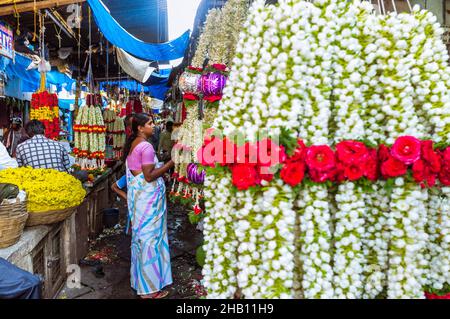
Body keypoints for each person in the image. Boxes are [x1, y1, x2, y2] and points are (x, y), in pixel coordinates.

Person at [122, 113, 174, 299]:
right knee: (150, 242)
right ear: (140, 128)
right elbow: (149, 176)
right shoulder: (146, 146)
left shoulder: (134, 144)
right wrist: (171, 162)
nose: (154, 126)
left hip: (142, 203)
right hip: (147, 203)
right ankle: (149, 291)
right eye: (150, 123)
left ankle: (142, 283)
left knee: (142, 240)